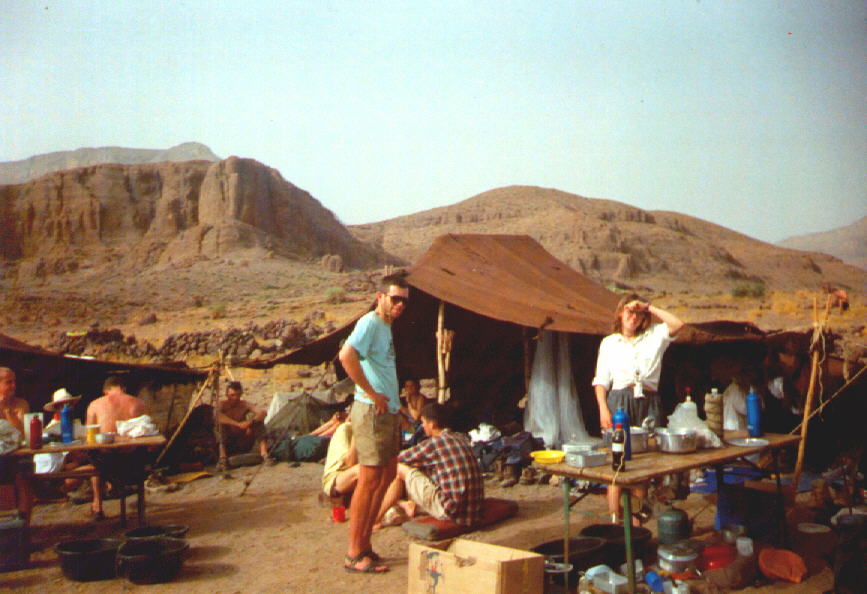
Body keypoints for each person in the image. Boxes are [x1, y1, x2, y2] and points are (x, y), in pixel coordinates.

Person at [337, 273, 409, 574]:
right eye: (395, 299)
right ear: (380, 297)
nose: (400, 305)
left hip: (387, 411)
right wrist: (371, 393)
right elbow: (346, 356)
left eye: (404, 300)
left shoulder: (386, 326)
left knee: (388, 474)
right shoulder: (369, 322)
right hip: (371, 411)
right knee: (368, 480)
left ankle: (365, 544)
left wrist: (395, 403)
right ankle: (354, 553)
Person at [592, 294, 684, 524]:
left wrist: (649, 307)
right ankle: (616, 522)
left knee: (648, 462)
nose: (633, 317)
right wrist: (603, 408)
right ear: (620, 314)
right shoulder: (609, 343)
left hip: (649, 402)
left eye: (637, 313)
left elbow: (678, 324)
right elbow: (601, 379)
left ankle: (636, 522)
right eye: (628, 312)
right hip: (619, 402)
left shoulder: (655, 336)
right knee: (617, 464)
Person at [376, 402, 484, 529]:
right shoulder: (461, 438)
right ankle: (404, 505)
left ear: (432, 424)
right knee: (419, 472)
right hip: (474, 509)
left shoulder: (434, 444)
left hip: (452, 512)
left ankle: (376, 518)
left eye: (424, 423)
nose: (423, 426)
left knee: (399, 468)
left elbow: (397, 459)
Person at [85, 375, 148, 519]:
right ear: (123, 389)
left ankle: (97, 506)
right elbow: (148, 431)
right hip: (133, 460)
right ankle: (139, 505)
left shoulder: (95, 405)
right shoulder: (138, 403)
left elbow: (90, 434)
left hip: (105, 462)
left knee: (93, 460)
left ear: (105, 391)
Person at [0, 367, 33, 522]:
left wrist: (6, 412)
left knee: (24, 474)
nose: (14, 386)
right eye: (9, 382)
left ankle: (24, 524)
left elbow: (21, 433)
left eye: (14, 382)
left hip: (16, 457)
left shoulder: (21, 404)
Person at [216, 380, 272, 465]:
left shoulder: (244, 404)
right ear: (227, 395)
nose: (235, 398)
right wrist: (237, 424)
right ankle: (222, 457)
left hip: (243, 441)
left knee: (258, 422)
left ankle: (264, 454)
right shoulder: (222, 405)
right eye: (232, 395)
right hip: (228, 442)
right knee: (220, 426)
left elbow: (263, 412)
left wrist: (250, 422)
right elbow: (217, 416)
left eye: (238, 395)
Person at [321, 419, 358, 503]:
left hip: (354, 478)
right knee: (365, 470)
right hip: (336, 478)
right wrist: (357, 435)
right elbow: (350, 463)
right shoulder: (345, 430)